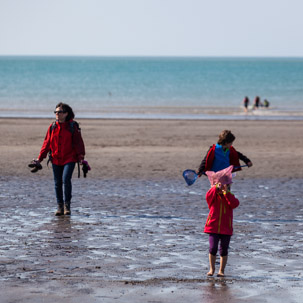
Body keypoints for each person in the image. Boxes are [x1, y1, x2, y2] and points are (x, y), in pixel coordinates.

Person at [33, 102, 85, 216]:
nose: (57, 114)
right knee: (57, 183)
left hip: (69, 159)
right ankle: (60, 207)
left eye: (60, 112)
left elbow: (78, 143)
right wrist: (39, 159)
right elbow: (46, 144)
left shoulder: (73, 126)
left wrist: (81, 158)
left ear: (66, 113)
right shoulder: (52, 127)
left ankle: (67, 206)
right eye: (55, 112)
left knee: (66, 180)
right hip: (55, 159)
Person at [204, 165, 240, 277]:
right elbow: (208, 196)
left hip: (226, 228)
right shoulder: (213, 196)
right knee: (212, 248)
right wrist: (216, 188)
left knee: (224, 250)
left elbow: (235, 204)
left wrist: (226, 193)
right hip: (213, 226)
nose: (223, 187)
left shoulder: (229, 196)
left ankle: (222, 270)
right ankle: (212, 269)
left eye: (226, 185)